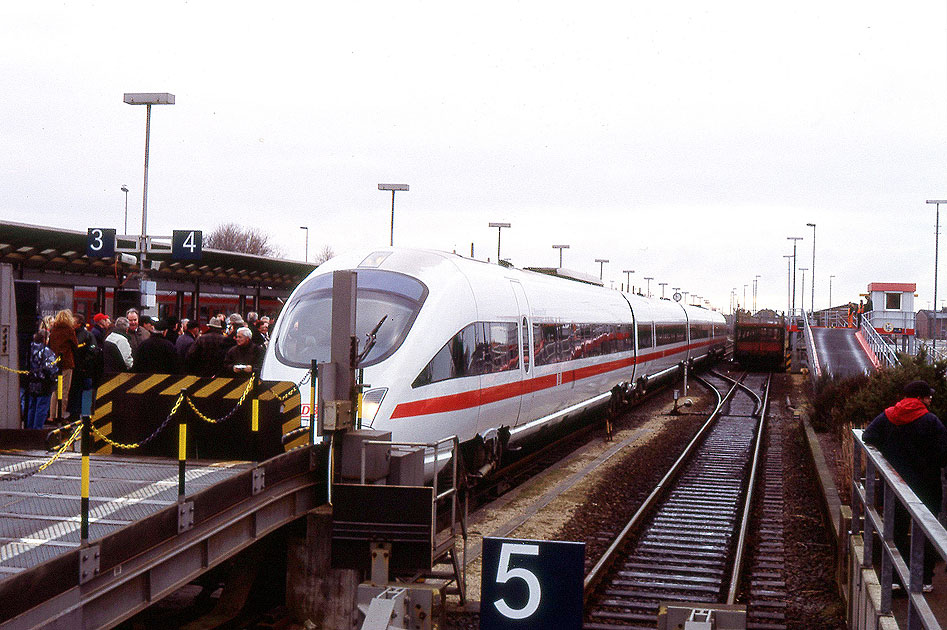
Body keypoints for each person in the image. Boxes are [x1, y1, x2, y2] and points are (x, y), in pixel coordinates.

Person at [863, 380, 947, 592]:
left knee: (895, 532)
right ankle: (924, 580)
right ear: (919, 398)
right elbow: (945, 454)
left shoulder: (889, 415)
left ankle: (893, 579)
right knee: (927, 532)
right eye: (928, 397)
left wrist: (890, 453)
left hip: (894, 485)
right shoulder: (931, 421)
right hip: (926, 487)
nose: (930, 400)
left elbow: (868, 436)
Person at [47, 309, 77, 421]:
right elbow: (75, 345)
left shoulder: (53, 330)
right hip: (66, 363)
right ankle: (60, 415)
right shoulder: (69, 330)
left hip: (54, 364)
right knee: (64, 391)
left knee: (54, 391)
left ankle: (51, 415)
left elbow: (50, 345)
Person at [25, 330, 58, 429]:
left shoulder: (30, 348)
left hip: (32, 382)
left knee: (32, 407)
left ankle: (29, 429)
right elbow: (51, 368)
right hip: (44, 383)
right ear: (44, 339)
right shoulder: (46, 351)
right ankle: (37, 429)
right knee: (41, 408)